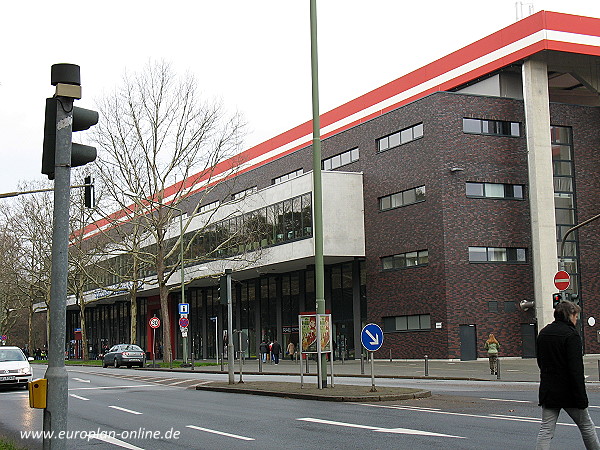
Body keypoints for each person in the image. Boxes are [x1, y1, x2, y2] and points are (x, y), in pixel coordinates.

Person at [535, 301, 600, 449]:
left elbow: (541, 362)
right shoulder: (571, 335)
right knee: (586, 426)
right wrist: (581, 397)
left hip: (549, 390)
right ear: (569, 315)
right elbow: (576, 369)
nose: (576, 319)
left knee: (546, 430)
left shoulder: (543, 333)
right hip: (570, 392)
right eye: (575, 315)